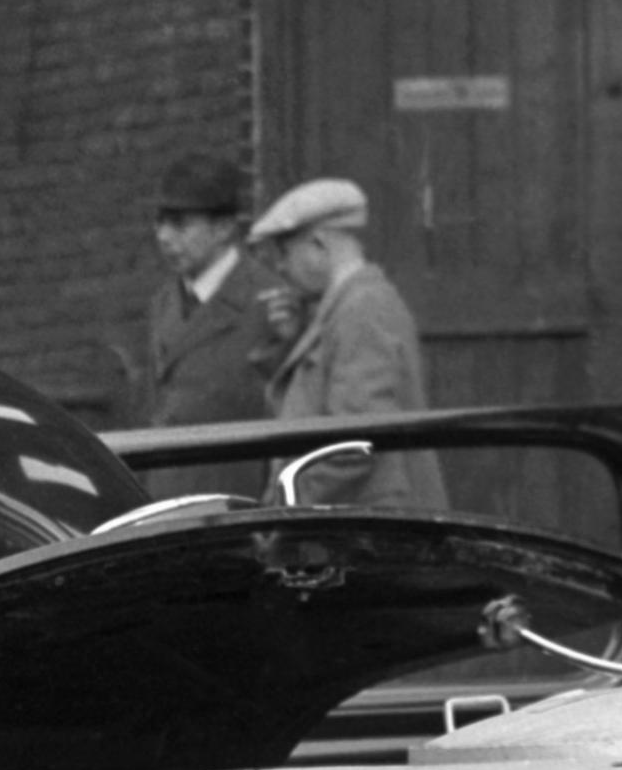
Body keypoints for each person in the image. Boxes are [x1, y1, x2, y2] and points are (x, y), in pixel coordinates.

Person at [249, 174, 443, 512]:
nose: (280, 267)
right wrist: (290, 339)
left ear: (319, 244)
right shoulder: (342, 309)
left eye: (284, 252)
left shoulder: (362, 309)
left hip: (374, 525)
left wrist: (287, 507)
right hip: (358, 522)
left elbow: (353, 444)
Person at [134, 152, 271, 429]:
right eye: (160, 222)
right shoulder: (163, 303)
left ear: (223, 228)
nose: (163, 236)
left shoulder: (268, 300)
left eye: (179, 224)